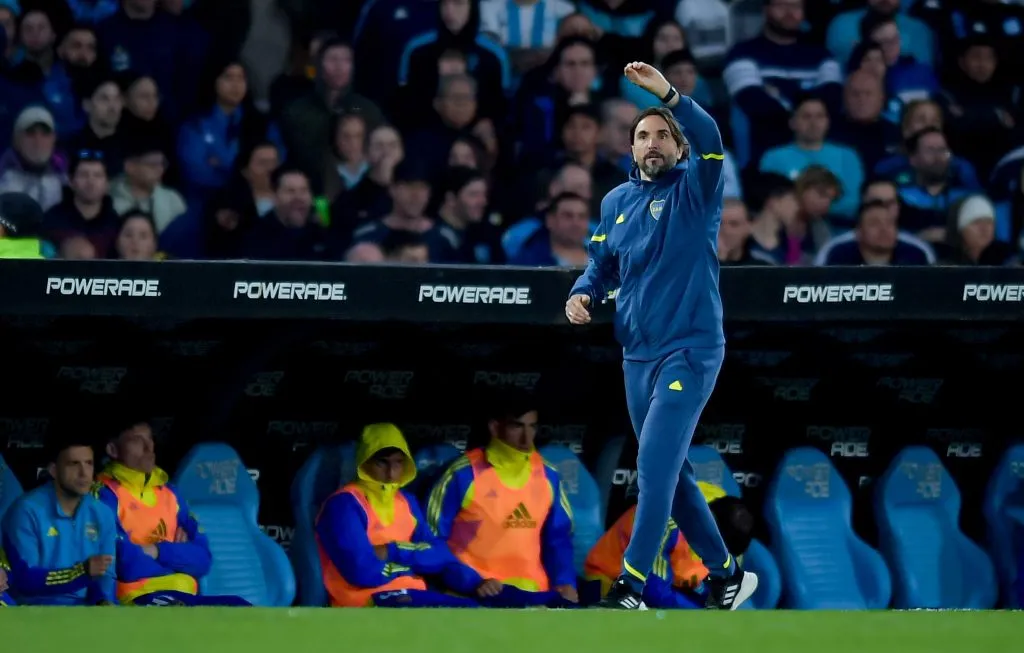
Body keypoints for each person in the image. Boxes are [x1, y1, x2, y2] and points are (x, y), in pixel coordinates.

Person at [565, 61, 757, 610]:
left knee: (653, 468)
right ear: (631, 148)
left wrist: (671, 96)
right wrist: (583, 294)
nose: (653, 143)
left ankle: (631, 585)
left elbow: (712, 138)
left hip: (690, 351)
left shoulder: (697, 190)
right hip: (636, 356)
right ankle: (724, 575)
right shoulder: (614, 203)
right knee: (672, 478)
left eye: (663, 135)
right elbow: (600, 265)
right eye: (643, 135)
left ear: (678, 147)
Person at [427, 397, 578, 608]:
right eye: (517, 426)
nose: (527, 437)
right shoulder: (462, 474)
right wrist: (470, 582)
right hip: (472, 597)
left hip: (532, 599)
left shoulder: (549, 475)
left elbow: (559, 538)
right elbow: (431, 541)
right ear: (495, 427)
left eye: (532, 427)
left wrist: (564, 582)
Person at [315, 423, 478, 608]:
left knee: (479, 611)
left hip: (410, 596)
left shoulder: (407, 501)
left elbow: (440, 554)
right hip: (364, 603)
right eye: (382, 462)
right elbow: (362, 571)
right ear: (364, 461)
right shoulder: (344, 504)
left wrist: (390, 551)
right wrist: (413, 566)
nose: (391, 472)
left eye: (398, 462)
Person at [93, 419, 250, 606]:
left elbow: (203, 560)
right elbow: (125, 564)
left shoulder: (170, 493)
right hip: (137, 599)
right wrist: (179, 560)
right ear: (113, 450)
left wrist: (154, 550)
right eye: (136, 440)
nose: (148, 446)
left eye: (150, 438)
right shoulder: (103, 494)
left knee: (240, 606)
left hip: (184, 597)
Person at [584, 483, 755, 609]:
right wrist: (702, 612)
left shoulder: (720, 504)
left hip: (674, 580)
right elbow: (655, 592)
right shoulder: (665, 521)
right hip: (611, 577)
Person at [1, 437, 117, 605]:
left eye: (89, 463)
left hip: (85, 611)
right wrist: (80, 572)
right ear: (54, 470)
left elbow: (105, 576)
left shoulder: (102, 512)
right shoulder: (26, 510)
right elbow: (24, 579)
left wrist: (103, 602)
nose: (84, 473)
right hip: (36, 610)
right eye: (74, 464)